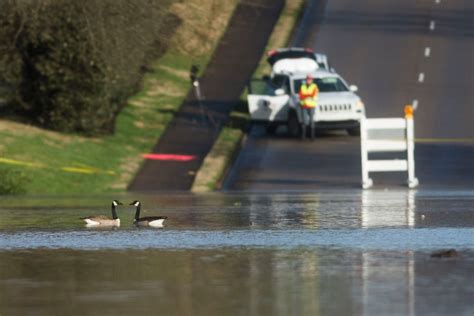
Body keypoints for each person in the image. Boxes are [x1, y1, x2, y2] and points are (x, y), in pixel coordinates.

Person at [298, 74, 319, 139]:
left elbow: (314, 95)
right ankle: (303, 135)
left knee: (311, 121)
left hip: (311, 105)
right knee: (304, 121)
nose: (308, 80)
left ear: (312, 80)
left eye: (310, 79)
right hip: (304, 105)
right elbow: (301, 96)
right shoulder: (302, 86)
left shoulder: (314, 86)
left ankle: (312, 136)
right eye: (307, 79)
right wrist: (308, 96)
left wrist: (306, 96)